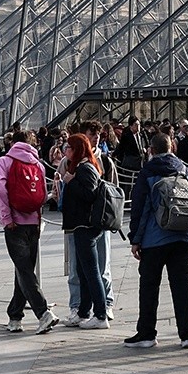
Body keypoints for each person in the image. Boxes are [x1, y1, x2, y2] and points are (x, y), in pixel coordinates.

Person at [124, 131, 188, 350]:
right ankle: (187, 335)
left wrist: (135, 239)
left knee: (149, 286)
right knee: (182, 285)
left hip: (154, 239)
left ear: (151, 150)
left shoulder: (147, 173)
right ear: (172, 147)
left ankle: (147, 334)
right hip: (182, 236)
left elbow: (141, 209)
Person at [0, 128, 59, 334]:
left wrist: (6, 218)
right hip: (34, 222)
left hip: (15, 223)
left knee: (24, 270)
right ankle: (15, 316)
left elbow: (1, 191)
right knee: (23, 269)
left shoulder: (4, 162)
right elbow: (38, 195)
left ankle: (43, 313)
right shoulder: (37, 164)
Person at [60, 133, 112, 328]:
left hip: (86, 226)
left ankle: (100, 315)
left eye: (69, 147)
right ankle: (83, 312)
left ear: (77, 149)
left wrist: (70, 182)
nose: (65, 150)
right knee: (83, 272)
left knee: (91, 272)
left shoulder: (86, 168)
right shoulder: (80, 168)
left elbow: (89, 194)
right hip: (80, 225)